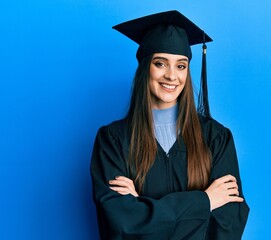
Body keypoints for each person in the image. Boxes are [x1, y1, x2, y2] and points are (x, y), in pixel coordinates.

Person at [90, 10, 249, 240]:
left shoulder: (216, 137)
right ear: (146, 67)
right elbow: (120, 224)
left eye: (181, 66)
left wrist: (143, 208)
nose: (172, 76)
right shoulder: (113, 140)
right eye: (160, 63)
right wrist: (205, 201)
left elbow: (228, 223)